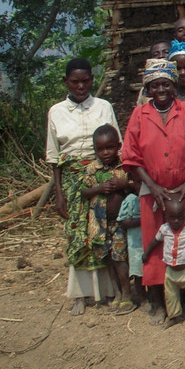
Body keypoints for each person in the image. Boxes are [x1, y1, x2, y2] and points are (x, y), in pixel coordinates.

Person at [121, 59, 185, 325]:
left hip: (183, 192)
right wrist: (155, 188)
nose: (161, 89)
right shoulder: (139, 115)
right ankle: (159, 304)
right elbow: (131, 157)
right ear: (147, 88)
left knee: (184, 245)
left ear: (174, 86)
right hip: (153, 194)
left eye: (166, 84)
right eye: (155, 85)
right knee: (155, 248)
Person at [46, 57, 121, 314]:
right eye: (75, 82)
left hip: (102, 174)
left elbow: (115, 142)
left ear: (92, 79)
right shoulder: (56, 111)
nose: (81, 86)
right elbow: (54, 158)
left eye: (86, 81)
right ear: (66, 82)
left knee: (103, 230)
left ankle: (109, 291)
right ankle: (80, 294)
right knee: (77, 234)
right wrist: (58, 193)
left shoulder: (103, 106)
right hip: (71, 180)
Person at [78, 124, 135, 314]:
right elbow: (84, 192)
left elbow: (136, 187)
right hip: (100, 224)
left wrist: (123, 184)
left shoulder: (124, 166)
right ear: (94, 150)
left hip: (120, 224)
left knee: (120, 258)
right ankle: (117, 293)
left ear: (118, 146)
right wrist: (98, 189)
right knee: (109, 259)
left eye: (109, 147)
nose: (105, 153)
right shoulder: (92, 169)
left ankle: (127, 295)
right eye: (100, 149)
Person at [142, 197, 185, 329]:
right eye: (172, 217)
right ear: (166, 216)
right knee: (171, 295)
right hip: (171, 270)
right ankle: (174, 316)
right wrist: (147, 253)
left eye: (180, 217)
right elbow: (155, 241)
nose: (176, 221)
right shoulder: (164, 229)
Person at [118, 173, 145, 307]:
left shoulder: (152, 198)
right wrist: (144, 219)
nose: (142, 186)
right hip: (136, 244)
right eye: (138, 183)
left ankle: (152, 296)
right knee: (138, 273)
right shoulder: (131, 200)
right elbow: (123, 221)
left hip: (149, 242)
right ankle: (142, 298)